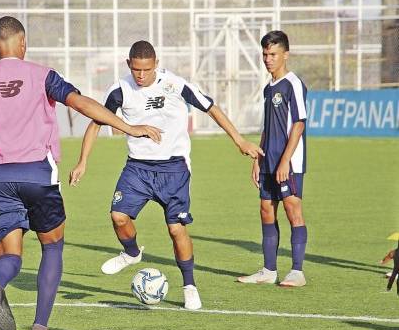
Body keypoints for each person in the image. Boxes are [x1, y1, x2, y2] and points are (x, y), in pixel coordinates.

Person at [0, 17, 161, 330]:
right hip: (38, 175)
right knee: (52, 246)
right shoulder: (42, 76)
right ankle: (39, 329)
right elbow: (81, 103)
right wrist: (129, 127)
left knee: (10, 257)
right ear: (22, 43)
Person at [69, 40, 263, 310]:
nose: (141, 75)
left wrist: (240, 141)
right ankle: (131, 253)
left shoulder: (175, 84)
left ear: (155, 65)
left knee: (176, 229)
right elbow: (96, 123)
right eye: (136, 69)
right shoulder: (119, 90)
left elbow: (212, 108)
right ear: (129, 65)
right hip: (137, 168)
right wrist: (82, 162)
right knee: (118, 216)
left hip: (174, 168)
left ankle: (189, 285)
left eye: (146, 69)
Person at [238, 30, 309, 287]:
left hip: (288, 161)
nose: (268, 59)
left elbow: (299, 125)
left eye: (273, 54)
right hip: (268, 159)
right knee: (266, 209)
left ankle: (297, 272)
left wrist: (285, 160)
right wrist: (258, 158)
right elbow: (268, 127)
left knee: (292, 209)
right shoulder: (268, 87)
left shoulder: (293, 84)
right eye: (265, 54)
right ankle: (269, 271)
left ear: (285, 55)